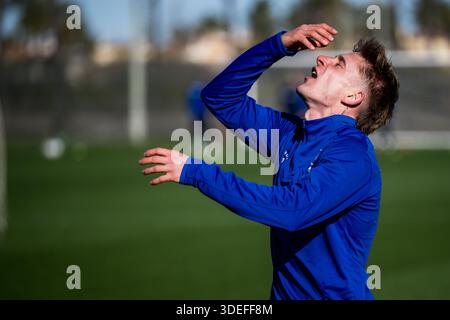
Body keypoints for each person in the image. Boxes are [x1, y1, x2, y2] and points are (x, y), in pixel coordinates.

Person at [139, 23, 399, 300]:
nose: (323, 58)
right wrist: (280, 45)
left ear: (352, 97)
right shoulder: (290, 133)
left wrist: (197, 172)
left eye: (339, 64)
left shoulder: (353, 154)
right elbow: (220, 98)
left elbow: (292, 210)